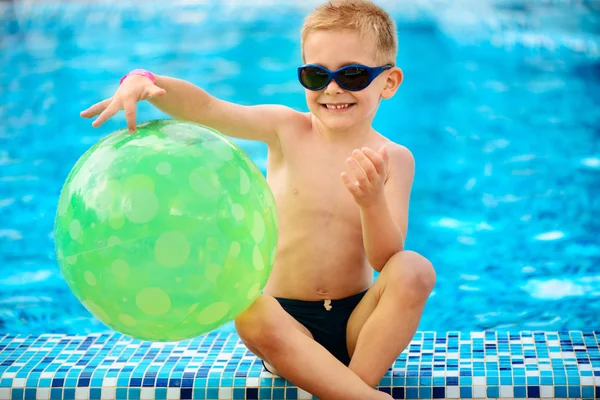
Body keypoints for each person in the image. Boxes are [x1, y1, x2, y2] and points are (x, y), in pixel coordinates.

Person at [80, 1, 436, 399]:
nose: (332, 88)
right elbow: (207, 109)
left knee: (413, 269)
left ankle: (353, 388)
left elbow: (385, 260)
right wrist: (143, 79)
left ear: (388, 82)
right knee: (251, 310)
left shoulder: (395, 159)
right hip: (287, 323)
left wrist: (371, 203)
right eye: (316, 75)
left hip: (359, 325)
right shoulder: (286, 130)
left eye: (352, 75)